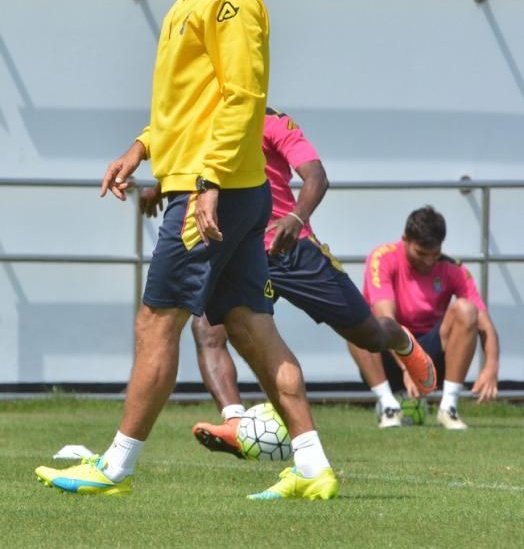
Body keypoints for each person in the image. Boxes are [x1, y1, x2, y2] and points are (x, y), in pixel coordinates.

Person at [34, 0, 338, 501]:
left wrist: (205, 181)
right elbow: (188, 106)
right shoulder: (189, 1)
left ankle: (115, 467)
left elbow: (242, 98)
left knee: (156, 321)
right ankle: (313, 466)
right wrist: (139, 148)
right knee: (252, 326)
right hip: (224, 186)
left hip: (215, 192)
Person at [140, 107, 438, 459]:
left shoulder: (271, 121)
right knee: (206, 330)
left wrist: (296, 218)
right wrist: (160, 187)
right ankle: (235, 420)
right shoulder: (206, 116)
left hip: (290, 248)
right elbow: (196, 162)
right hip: (239, 249)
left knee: (368, 335)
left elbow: (316, 176)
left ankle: (400, 340)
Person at [348, 205, 500, 429]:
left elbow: (485, 324)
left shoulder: (453, 269)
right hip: (390, 354)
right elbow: (387, 321)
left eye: (435, 254)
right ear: (405, 240)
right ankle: (388, 406)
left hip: (431, 360)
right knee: (354, 317)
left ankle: (449, 408)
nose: (429, 261)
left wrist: (491, 368)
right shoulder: (382, 258)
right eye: (421, 253)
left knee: (466, 310)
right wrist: (409, 366)